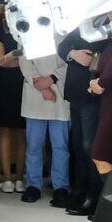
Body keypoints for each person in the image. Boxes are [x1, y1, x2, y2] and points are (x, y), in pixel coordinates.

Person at [57, 10, 109, 217]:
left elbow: (96, 53)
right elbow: (62, 47)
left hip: (91, 95)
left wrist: (77, 51)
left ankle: (93, 195)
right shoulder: (86, 22)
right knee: (78, 145)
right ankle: (79, 191)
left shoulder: (106, 26)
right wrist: (73, 53)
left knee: (90, 147)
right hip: (76, 93)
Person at [18, 47, 70, 206]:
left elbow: (70, 60)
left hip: (60, 93)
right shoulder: (27, 32)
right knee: (34, 145)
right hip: (35, 93)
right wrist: (41, 84)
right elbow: (24, 59)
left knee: (60, 145)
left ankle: (61, 186)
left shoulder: (66, 32)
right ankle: (33, 185)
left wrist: (51, 78)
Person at [0, 0, 26, 193]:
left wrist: (13, 58)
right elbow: (0, 61)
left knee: (22, 132)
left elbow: (33, 57)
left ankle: (19, 177)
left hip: (25, 83)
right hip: (5, 83)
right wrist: (18, 57)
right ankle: (7, 178)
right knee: (4, 130)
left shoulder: (27, 27)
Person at [88, 37, 112, 178]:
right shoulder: (111, 41)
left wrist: (100, 83)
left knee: (101, 155)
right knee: (105, 157)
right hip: (107, 102)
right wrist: (93, 83)